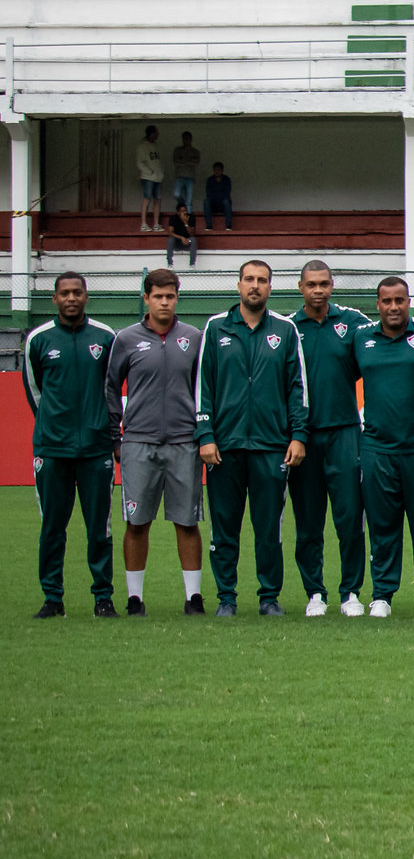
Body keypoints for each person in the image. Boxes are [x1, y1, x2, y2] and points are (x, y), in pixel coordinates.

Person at [197, 260, 308, 617]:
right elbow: (203, 386)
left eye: (262, 280)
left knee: (269, 529)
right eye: (249, 279)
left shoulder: (285, 330)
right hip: (224, 447)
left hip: (271, 446)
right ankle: (226, 598)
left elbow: (297, 389)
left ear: (270, 287)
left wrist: (298, 435)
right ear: (239, 285)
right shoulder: (216, 327)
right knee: (224, 528)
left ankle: (269, 598)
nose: (255, 285)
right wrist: (205, 434)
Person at [104, 269, 206, 616]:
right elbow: (110, 388)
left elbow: (204, 389)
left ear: (177, 298)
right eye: (158, 296)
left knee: (187, 522)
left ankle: (194, 597)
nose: (164, 302)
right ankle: (135, 598)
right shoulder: (126, 339)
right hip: (139, 442)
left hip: (184, 442)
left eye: (170, 296)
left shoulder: (193, 337)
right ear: (146, 298)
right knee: (137, 522)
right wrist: (116, 437)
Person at [25, 272, 118, 618]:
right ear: (54, 298)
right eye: (64, 293)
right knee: (52, 528)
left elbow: (111, 389)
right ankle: (53, 598)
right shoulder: (38, 339)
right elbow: (35, 391)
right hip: (52, 450)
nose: (71, 298)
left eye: (77, 292)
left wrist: (102, 428)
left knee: (99, 529)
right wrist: (53, 425)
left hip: (96, 449)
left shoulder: (105, 337)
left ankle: (103, 598)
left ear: (86, 296)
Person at [356, 276, 414, 618]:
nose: (393, 307)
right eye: (387, 301)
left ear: (410, 302)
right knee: (382, 526)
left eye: (400, 300)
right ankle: (382, 594)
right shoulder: (361, 339)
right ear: (377, 305)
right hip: (377, 448)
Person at [289, 261, 371, 617]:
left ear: (332, 285)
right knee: (308, 522)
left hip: (345, 432)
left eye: (323, 284)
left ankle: (350, 592)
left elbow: (389, 333)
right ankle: (315, 593)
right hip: (303, 438)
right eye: (311, 284)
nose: (318, 290)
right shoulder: (289, 328)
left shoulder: (352, 322)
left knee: (350, 519)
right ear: (301, 287)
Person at [136, 125, 164, 233]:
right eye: (156, 133)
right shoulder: (142, 146)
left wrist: (160, 173)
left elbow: (158, 162)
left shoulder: (156, 145)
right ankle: (144, 224)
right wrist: (149, 171)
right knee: (147, 198)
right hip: (147, 177)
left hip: (158, 177)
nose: (158, 135)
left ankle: (156, 224)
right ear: (151, 134)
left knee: (157, 200)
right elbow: (140, 162)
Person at [169, 131, 200, 214]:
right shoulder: (178, 150)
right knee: (176, 194)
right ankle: (182, 204)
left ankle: (188, 218)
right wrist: (189, 161)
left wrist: (183, 160)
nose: (186, 140)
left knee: (189, 201)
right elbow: (176, 162)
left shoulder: (195, 151)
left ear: (191, 139)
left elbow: (196, 162)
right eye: (185, 139)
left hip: (190, 177)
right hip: (180, 176)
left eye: (188, 138)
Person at [202, 161, 234, 232]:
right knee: (206, 201)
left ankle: (228, 226)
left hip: (223, 205)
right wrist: (219, 195)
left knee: (226, 201)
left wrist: (216, 195)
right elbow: (208, 194)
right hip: (213, 205)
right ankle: (209, 226)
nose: (217, 171)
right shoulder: (210, 180)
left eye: (218, 170)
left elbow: (227, 193)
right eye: (215, 170)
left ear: (222, 170)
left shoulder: (226, 179)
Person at [164, 202, 198, 267]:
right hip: (176, 242)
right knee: (170, 240)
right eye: (182, 211)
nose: (184, 212)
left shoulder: (191, 217)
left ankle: (192, 264)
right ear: (178, 213)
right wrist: (181, 238)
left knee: (193, 240)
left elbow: (192, 234)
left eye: (185, 211)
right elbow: (170, 232)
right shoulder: (173, 218)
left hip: (187, 242)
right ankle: (170, 263)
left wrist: (185, 223)